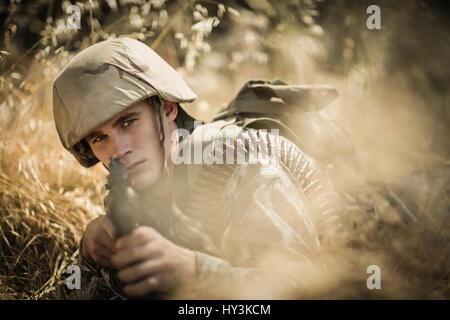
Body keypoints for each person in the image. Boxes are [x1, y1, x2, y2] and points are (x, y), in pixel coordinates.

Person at [52, 37, 340, 299]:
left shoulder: (243, 166)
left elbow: (303, 289)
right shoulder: (139, 192)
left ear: (167, 109)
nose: (119, 150)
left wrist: (197, 273)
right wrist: (88, 256)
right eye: (100, 138)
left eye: (128, 123)